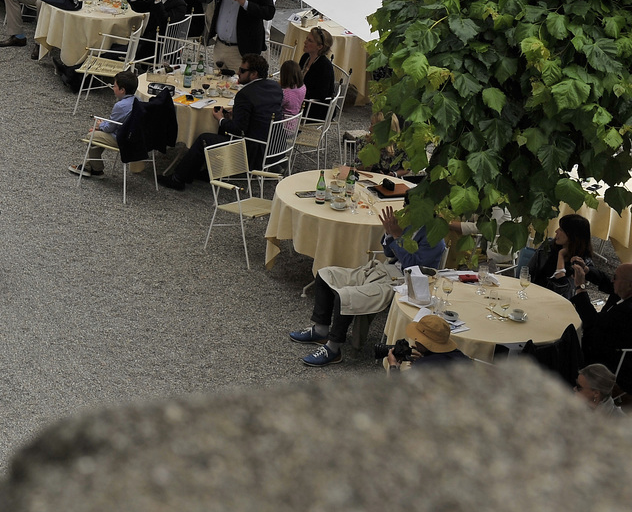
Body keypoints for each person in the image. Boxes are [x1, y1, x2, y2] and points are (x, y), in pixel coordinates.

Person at [291, 202, 447, 367]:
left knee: (346, 296)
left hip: (403, 284)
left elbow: (413, 268)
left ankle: (333, 349)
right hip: (382, 269)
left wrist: (396, 236)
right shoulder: (410, 224)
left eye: (409, 207)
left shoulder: (434, 237)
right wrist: (388, 233)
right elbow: (388, 252)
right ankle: (321, 330)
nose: (405, 211)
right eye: (405, 206)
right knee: (324, 274)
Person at [158, 53, 284, 188]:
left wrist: (221, 119)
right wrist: (234, 116)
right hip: (275, 147)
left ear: (254, 74)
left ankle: (178, 179)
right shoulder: (275, 87)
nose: (237, 73)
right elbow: (260, 114)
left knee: (204, 139)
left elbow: (239, 130)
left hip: (254, 151)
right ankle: (207, 172)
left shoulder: (245, 95)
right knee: (222, 131)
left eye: (242, 70)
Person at [206, 0, 277, 72]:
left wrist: (245, 3)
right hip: (220, 46)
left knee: (239, 87)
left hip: (242, 51)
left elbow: (269, 13)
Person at [70, 71, 140, 177]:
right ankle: (89, 167)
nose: (113, 87)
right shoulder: (138, 100)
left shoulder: (120, 106)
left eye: (115, 86)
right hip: (133, 137)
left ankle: (97, 169)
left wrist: (99, 125)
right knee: (97, 135)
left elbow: (109, 128)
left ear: (122, 90)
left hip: (122, 139)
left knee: (91, 136)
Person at [571, 263, 632, 376]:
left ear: (629, 285)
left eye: (616, 278)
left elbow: (592, 322)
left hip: (604, 359)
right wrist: (586, 270)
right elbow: (606, 281)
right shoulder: (626, 291)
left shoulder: (627, 310)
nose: (612, 280)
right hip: (598, 342)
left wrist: (580, 287)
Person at [527, 214, 603, 298]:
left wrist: (561, 257)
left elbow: (564, 290)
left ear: (572, 236)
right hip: (533, 294)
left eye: (561, 230)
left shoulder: (582, 262)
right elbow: (528, 271)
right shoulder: (548, 246)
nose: (556, 231)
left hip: (558, 303)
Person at [130, 0, 190, 65]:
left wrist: (157, 0)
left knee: (110, 52)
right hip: (147, 43)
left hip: (158, 48)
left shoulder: (180, 4)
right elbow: (139, 8)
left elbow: (165, 21)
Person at [381, 314, 471, 371]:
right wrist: (426, 357)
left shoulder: (423, 367)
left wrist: (394, 366)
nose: (416, 342)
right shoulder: (461, 356)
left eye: (418, 339)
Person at [298, 26, 337, 116]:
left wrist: (298, 94)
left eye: (310, 41)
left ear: (320, 46)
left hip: (317, 106)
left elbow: (321, 94)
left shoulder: (324, 66)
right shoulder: (305, 57)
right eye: (307, 39)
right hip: (303, 100)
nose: (305, 42)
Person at [279, 60, 307, 134]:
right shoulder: (303, 87)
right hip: (294, 124)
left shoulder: (285, 93)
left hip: (282, 128)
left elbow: (275, 105)